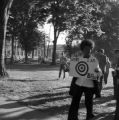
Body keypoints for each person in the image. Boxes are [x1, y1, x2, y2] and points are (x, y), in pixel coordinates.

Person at [68, 40, 102, 120]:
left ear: (92, 49)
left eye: (90, 48)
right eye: (86, 48)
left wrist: (98, 71)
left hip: (89, 85)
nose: (88, 50)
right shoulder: (77, 59)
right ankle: (73, 117)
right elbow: (73, 71)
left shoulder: (94, 60)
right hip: (78, 84)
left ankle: (89, 116)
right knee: (75, 102)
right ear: (82, 49)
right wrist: (69, 68)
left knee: (89, 103)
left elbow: (99, 72)